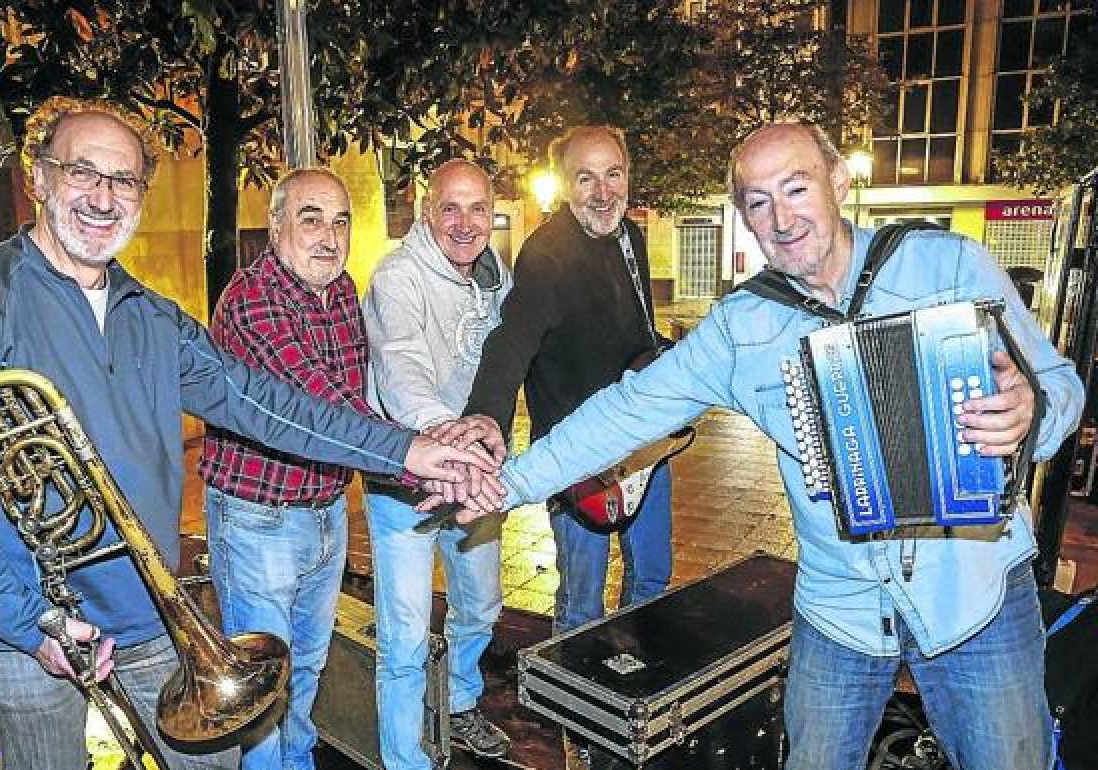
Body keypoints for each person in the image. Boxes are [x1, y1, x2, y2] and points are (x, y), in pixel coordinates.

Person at [0, 96, 498, 770]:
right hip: (19, 628)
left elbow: (265, 403)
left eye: (124, 181)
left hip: (147, 609)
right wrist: (29, 620)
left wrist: (410, 449)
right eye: (82, 173)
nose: (104, 198)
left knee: (215, 761)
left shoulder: (150, 312)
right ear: (38, 177)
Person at [447, 121, 1084, 770]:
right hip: (842, 610)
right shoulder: (744, 327)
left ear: (838, 180)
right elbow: (624, 411)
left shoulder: (947, 265)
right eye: (757, 201)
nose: (781, 217)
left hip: (974, 592)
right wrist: (509, 484)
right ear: (744, 217)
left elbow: (1060, 388)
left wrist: (1032, 414)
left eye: (796, 187)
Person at [198, 167, 378, 769]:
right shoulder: (252, 299)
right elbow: (319, 403)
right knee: (261, 690)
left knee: (307, 670)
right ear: (276, 226)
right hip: (259, 521)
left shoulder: (343, 290)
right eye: (311, 218)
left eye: (340, 220)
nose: (329, 236)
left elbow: (359, 396)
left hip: (326, 513)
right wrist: (416, 455)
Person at [463, 125, 674, 634]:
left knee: (652, 581)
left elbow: (636, 331)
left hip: (643, 444)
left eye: (613, 175)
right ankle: (574, 707)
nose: (603, 193)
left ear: (628, 176)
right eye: (586, 179)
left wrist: (664, 357)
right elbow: (511, 340)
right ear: (564, 186)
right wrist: (485, 417)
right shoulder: (546, 254)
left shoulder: (631, 236)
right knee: (583, 601)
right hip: (576, 455)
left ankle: (635, 693)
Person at [361, 160, 513, 765]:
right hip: (405, 481)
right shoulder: (396, 278)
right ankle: (405, 759)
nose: (464, 222)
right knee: (402, 638)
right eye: (450, 207)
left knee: (480, 604)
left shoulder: (497, 279)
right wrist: (437, 431)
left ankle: (460, 703)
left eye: (477, 208)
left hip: (473, 476)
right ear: (427, 211)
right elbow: (400, 365)